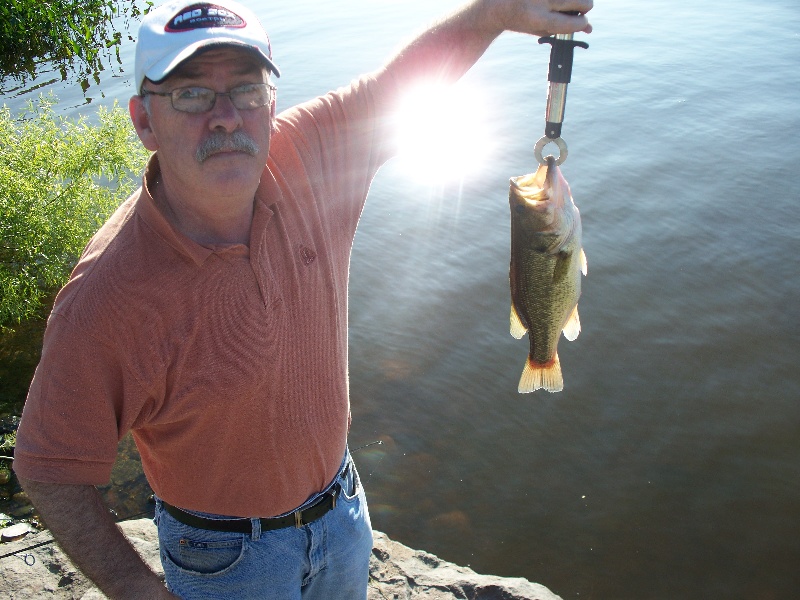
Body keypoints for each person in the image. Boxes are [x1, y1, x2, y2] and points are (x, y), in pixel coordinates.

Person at [13, 0, 592, 598]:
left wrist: (495, 12)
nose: (224, 117)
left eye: (246, 90)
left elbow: (399, 88)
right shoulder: (109, 296)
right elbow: (47, 467)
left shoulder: (308, 157)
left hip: (342, 514)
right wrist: (134, 588)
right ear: (143, 120)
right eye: (190, 94)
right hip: (225, 559)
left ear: (270, 102)